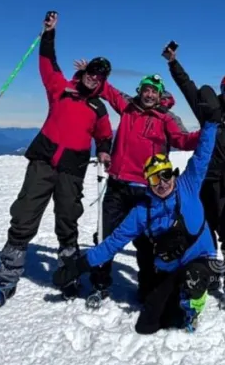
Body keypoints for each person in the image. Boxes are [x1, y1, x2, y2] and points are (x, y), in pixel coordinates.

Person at [51, 86, 223, 335]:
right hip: (170, 266)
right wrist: (78, 266)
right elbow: (113, 243)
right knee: (148, 325)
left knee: (192, 282)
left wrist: (212, 123)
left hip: (199, 259)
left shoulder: (188, 185)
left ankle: (194, 305)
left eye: (165, 175)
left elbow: (202, 154)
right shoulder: (142, 212)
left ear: (172, 173)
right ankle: (172, 295)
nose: (162, 183)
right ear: (147, 182)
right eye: (154, 179)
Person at [0, 11, 114, 310]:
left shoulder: (98, 108)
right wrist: (49, 33)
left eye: (99, 76)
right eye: (91, 71)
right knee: (25, 215)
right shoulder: (61, 89)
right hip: (43, 161)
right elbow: (47, 63)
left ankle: (68, 275)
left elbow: (105, 135)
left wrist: (104, 150)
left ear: (102, 82)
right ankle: (7, 278)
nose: (93, 77)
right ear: (84, 71)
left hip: (73, 168)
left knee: (67, 220)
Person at [80, 68, 201, 309]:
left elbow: (183, 140)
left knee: (147, 243)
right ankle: (100, 284)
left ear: (160, 95)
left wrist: (207, 132)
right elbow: (107, 90)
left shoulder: (166, 117)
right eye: (146, 90)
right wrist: (91, 72)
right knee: (105, 235)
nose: (149, 94)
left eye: (154, 91)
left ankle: (147, 289)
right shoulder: (128, 106)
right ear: (140, 91)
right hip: (118, 185)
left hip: (147, 190)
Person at [163, 44, 225, 309]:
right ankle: (213, 273)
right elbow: (188, 87)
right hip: (199, 180)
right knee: (203, 228)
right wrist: (173, 63)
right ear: (221, 89)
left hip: (224, 182)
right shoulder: (208, 109)